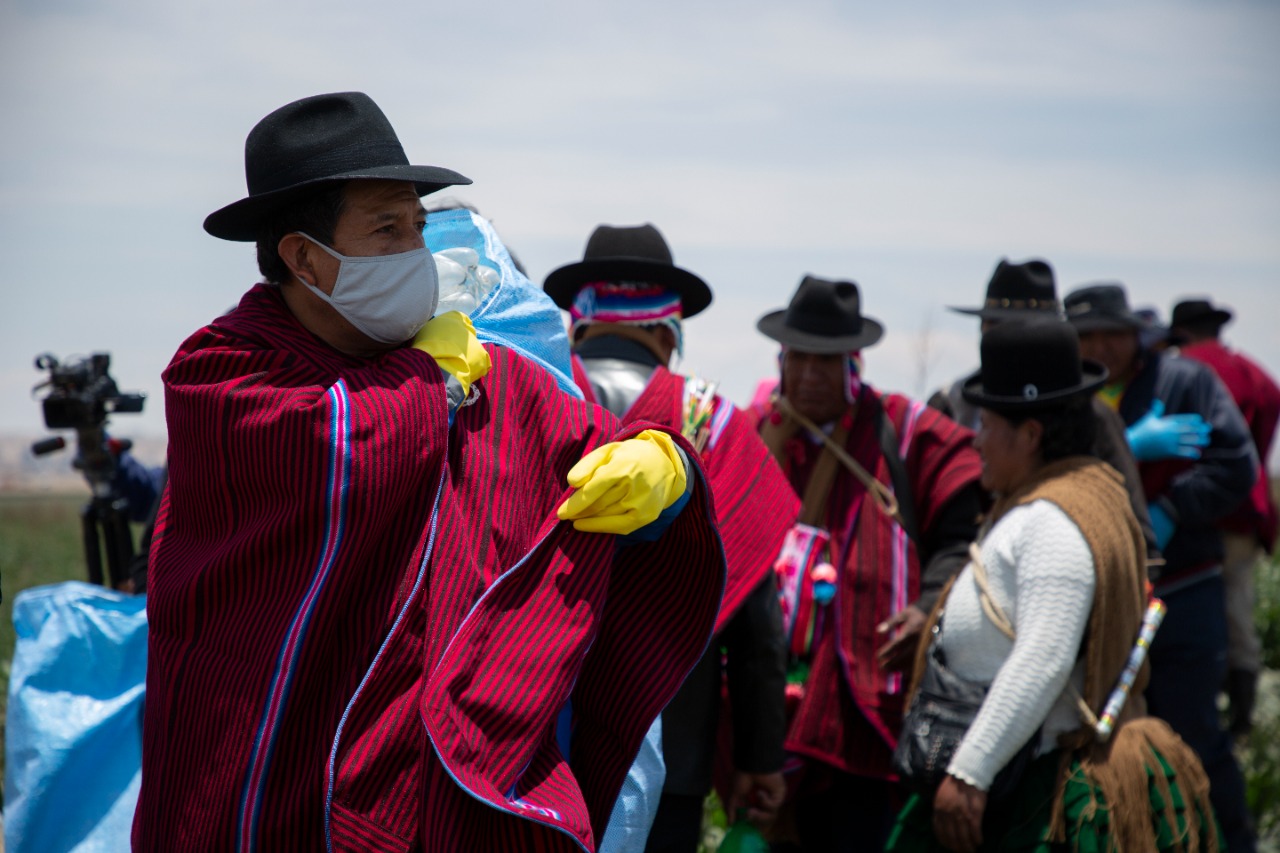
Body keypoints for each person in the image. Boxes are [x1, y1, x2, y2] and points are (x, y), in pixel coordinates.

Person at [134, 92, 727, 852]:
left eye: (417, 225)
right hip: (260, 778)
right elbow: (334, 448)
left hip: (428, 801)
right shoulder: (223, 371)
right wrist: (426, 380)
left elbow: (595, 441)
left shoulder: (480, 373)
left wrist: (667, 471)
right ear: (304, 258)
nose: (417, 251)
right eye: (387, 229)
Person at [886, 319, 1218, 853]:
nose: (976, 440)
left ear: (1030, 435)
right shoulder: (1041, 503)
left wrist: (971, 772)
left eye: (987, 425)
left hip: (1034, 791)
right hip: (1010, 773)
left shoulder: (1056, 523)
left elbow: (1044, 656)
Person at [544, 223, 796, 852]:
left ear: (579, 319)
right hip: (670, 752)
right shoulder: (715, 424)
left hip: (532, 735)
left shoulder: (533, 394)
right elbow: (757, 629)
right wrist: (759, 757)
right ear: (668, 329)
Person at [754, 276, 984, 852]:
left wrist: (927, 607)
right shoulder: (759, 435)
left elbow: (961, 536)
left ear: (852, 365)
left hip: (867, 706)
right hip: (771, 708)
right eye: (798, 358)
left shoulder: (904, 434)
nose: (809, 375)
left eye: (825, 361)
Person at [1066, 282, 1258, 853]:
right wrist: (1126, 446)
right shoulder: (1067, 395)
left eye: (1112, 333)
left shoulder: (1186, 381)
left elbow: (1235, 463)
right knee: (1102, 740)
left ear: (1137, 335)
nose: (1099, 346)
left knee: (1194, 737)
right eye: (1086, 336)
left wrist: (1172, 507)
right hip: (1099, 598)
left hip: (1182, 588)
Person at [930, 258, 1160, 559]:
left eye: (1017, 328)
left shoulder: (1089, 415)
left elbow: (1135, 535)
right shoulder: (950, 405)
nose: (1002, 339)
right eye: (993, 325)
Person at [1169, 296, 1280, 737]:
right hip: (1246, 509)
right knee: (1238, 603)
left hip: (1201, 513)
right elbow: (1270, 403)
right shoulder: (1248, 369)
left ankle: (1217, 717)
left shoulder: (1186, 370)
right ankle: (1242, 715)